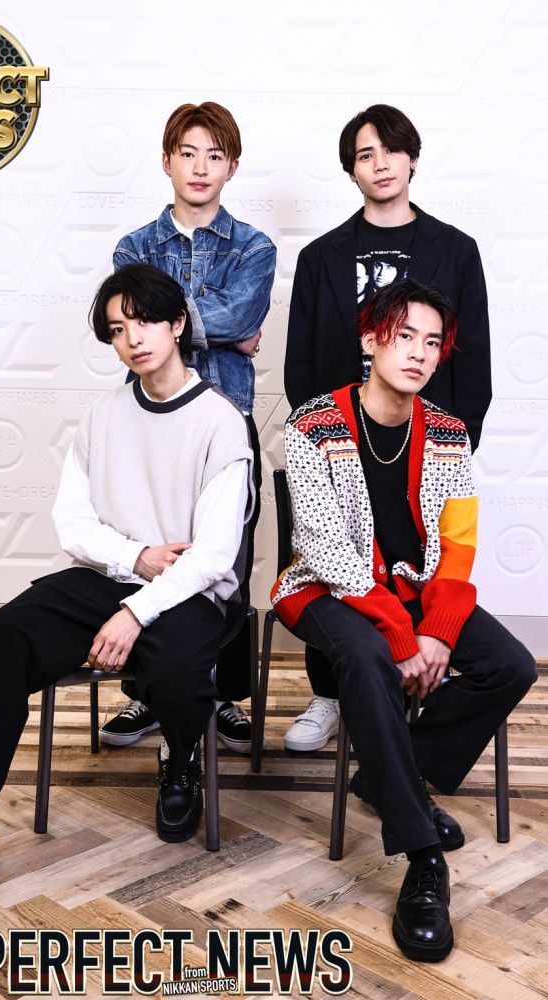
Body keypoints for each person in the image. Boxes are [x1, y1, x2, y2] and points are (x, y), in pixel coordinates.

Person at [0, 264, 254, 912]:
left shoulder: (220, 422)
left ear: (176, 324)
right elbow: (73, 525)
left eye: (144, 320)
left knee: (178, 671)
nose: (132, 338)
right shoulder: (102, 416)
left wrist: (134, 613)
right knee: (4, 636)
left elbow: (214, 555)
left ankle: (179, 752)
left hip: (189, 592)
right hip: (111, 575)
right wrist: (134, 557)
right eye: (117, 328)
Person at [272, 279, 536, 962]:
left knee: (509, 665)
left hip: (413, 592)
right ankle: (422, 859)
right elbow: (324, 548)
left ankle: (388, 777)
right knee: (365, 660)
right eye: (403, 336)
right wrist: (400, 636)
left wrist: (436, 630)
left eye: (432, 342)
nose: (418, 352)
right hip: (325, 589)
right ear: (370, 339)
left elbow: (458, 545)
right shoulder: (311, 426)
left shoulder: (448, 433)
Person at [283, 104, 492, 755]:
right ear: (351, 170)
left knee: (419, 561)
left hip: (420, 446)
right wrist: (323, 443)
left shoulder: (455, 250)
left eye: (391, 151)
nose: (379, 164)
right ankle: (330, 692)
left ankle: (412, 690)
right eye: (364, 155)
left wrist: (446, 450)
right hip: (340, 444)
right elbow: (301, 364)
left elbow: (473, 363)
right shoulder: (321, 256)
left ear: (412, 159)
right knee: (333, 559)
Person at [103, 101, 276, 755]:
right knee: (152, 551)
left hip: (226, 421)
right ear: (166, 161)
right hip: (148, 424)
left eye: (214, 155)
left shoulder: (255, 247)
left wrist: (179, 319)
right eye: (187, 153)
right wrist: (223, 327)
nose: (200, 167)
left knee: (225, 560)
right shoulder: (134, 248)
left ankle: (222, 696)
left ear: (232, 166)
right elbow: (144, 323)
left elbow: (239, 315)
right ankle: (149, 692)